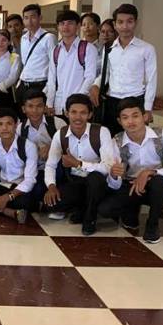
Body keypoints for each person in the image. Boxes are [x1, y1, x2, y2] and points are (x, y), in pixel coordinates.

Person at [98, 97, 163, 244]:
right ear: (119, 121)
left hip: (155, 185)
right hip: (130, 186)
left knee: (160, 183)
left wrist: (149, 172)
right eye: (125, 118)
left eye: (135, 116)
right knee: (105, 209)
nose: (131, 121)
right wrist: (113, 175)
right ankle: (131, 210)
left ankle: (152, 224)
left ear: (144, 117)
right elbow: (114, 185)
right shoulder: (116, 142)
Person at [43, 94, 114, 235]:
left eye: (83, 113)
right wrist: (51, 186)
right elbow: (50, 165)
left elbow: (108, 167)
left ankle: (90, 218)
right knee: (50, 205)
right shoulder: (60, 134)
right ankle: (81, 207)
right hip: (75, 181)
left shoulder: (101, 132)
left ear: (90, 115)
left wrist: (79, 164)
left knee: (95, 179)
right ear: (66, 113)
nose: (78, 117)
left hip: (98, 183)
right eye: (73, 112)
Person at [90, 4, 157, 135]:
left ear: (136, 23)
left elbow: (152, 80)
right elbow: (106, 74)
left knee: (135, 137)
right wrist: (95, 85)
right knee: (111, 138)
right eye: (120, 22)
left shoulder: (147, 49)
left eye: (129, 21)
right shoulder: (108, 48)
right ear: (115, 24)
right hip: (112, 101)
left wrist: (148, 108)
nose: (125, 26)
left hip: (135, 101)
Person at [18, 89, 67, 208]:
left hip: (57, 168)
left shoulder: (57, 123)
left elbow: (70, 147)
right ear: (24, 109)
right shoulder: (20, 129)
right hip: (35, 170)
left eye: (39, 106)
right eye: (30, 106)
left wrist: (52, 148)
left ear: (45, 108)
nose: (34, 111)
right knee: (35, 190)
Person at [46, 10, 98, 117]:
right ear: (58, 27)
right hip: (58, 106)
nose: (65, 27)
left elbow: (90, 77)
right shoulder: (56, 50)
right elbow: (51, 79)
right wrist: (49, 103)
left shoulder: (88, 48)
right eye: (62, 23)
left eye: (70, 23)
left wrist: (77, 101)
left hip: (79, 108)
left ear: (78, 26)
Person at [17, 3, 57, 104]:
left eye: (33, 17)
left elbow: (54, 65)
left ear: (40, 18)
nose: (29, 21)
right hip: (24, 84)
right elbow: (25, 63)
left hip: (40, 85)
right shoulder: (23, 38)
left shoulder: (49, 38)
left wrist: (48, 89)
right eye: (26, 18)